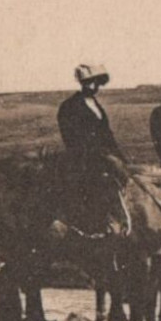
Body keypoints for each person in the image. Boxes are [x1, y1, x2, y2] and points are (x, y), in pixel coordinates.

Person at [56, 64, 129, 233]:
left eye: (96, 82)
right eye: (89, 82)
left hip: (105, 158)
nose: (93, 86)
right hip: (83, 160)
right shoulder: (69, 106)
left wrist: (119, 158)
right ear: (81, 83)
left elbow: (107, 135)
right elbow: (71, 139)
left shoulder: (96, 105)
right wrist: (96, 154)